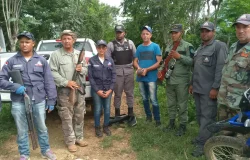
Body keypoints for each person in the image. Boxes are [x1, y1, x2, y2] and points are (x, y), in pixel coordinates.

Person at [0, 31, 57, 160]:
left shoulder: (41, 60)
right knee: (21, 129)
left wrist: (51, 100)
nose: (24, 44)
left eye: (27, 42)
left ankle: (45, 150)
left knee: (42, 127)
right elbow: (1, 79)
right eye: (21, 42)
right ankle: (24, 154)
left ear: (33, 43)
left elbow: (49, 81)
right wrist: (14, 86)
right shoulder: (12, 61)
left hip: (38, 99)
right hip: (18, 100)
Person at [189, 22, 228, 157]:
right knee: (200, 116)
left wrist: (215, 88)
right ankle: (202, 137)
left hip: (209, 90)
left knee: (207, 117)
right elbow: (195, 68)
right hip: (198, 88)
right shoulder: (200, 48)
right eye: (203, 31)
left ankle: (203, 144)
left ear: (213, 32)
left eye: (207, 31)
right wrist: (191, 84)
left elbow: (220, 68)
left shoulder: (219, 46)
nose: (204, 33)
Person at [49, 30, 88, 152]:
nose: (66, 40)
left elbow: (86, 70)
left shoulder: (78, 54)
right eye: (64, 38)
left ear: (73, 40)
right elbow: (52, 72)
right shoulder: (56, 55)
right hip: (64, 91)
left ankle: (79, 137)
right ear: (61, 40)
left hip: (78, 89)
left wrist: (81, 69)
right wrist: (66, 82)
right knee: (66, 116)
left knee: (80, 114)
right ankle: (70, 141)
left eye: (69, 38)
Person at [162, 24, 194, 136]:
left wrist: (179, 57)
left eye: (176, 32)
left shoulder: (188, 46)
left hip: (182, 81)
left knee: (182, 104)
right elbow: (165, 61)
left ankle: (182, 126)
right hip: (170, 80)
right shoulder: (168, 46)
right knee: (171, 103)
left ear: (181, 33)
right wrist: (161, 71)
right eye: (172, 32)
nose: (173, 34)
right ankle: (171, 123)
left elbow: (192, 62)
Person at [218, 14, 250, 120]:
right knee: (224, 134)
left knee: (240, 136)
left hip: (240, 106)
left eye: (245, 27)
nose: (241, 31)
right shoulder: (233, 47)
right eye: (238, 27)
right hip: (224, 101)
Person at [106, 25, 137, 126]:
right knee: (118, 94)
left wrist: (137, 68)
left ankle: (131, 114)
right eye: (117, 32)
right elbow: (107, 60)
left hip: (129, 71)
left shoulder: (130, 43)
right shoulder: (111, 44)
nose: (119, 34)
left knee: (130, 93)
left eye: (121, 32)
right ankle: (117, 115)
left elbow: (135, 57)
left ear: (124, 33)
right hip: (117, 71)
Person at [134, 25, 162, 126]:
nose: (145, 35)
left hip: (151, 77)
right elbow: (135, 61)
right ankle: (148, 116)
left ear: (150, 35)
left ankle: (157, 119)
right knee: (144, 98)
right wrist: (138, 68)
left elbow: (159, 62)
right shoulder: (139, 48)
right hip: (141, 77)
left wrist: (147, 69)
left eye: (147, 33)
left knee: (153, 98)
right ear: (141, 36)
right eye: (143, 34)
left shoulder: (155, 47)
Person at [88, 40, 116, 137]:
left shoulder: (110, 60)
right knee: (98, 109)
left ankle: (106, 126)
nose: (101, 49)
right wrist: (97, 90)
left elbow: (114, 75)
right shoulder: (92, 60)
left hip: (108, 89)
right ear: (96, 48)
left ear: (106, 48)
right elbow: (90, 77)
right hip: (97, 89)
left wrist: (111, 89)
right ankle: (97, 127)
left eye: (103, 47)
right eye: (99, 47)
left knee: (107, 109)